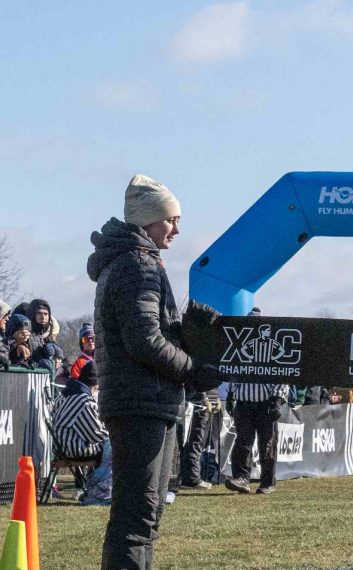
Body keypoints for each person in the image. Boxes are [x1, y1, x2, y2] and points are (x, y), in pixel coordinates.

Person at [89, 173, 223, 569]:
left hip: (146, 402)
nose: (178, 229)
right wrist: (193, 369)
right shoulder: (137, 266)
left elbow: (151, 332)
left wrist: (187, 330)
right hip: (141, 405)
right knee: (136, 518)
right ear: (148, 220)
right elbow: (144, 341)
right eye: (171, 219)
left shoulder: (135, 263)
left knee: (146, 517)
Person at [51, 360, 113, 505]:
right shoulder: (84, 401)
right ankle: (100, 492)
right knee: (114, 444)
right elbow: (97, 434)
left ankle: (93, 487)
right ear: (96, 385)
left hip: (60, 447)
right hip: (75, 448)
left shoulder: (64, 395)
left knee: (109, 444)